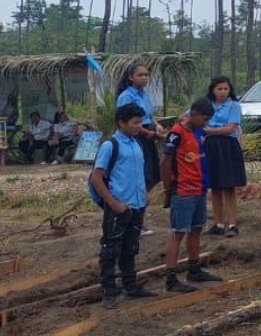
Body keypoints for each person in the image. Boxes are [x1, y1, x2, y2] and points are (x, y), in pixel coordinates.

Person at [91, 103, 155, 308]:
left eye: (140, 123)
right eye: (135, 123)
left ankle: (130, 285)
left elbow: (138, 172)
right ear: (121, 123)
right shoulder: (111, 146)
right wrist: (112, 202)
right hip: (119, 206)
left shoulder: (136, 144)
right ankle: (109, 291)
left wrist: (144, 193)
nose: (138, 126)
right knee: (111, 249)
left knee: (131, 246)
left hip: (136, 205)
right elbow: (97, 177)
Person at [160, 101, 224, 293]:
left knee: (196, 229)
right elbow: (165, 162)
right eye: (204, 119)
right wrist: (167, 188)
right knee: (178, 232)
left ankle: (194, 269)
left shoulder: (199, 132)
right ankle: (171, 278)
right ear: (194, 114)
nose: (206, 123)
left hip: (200, 188)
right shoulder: (176, 133)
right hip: (183, 190)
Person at [197, 76, 245, 239]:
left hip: (227, 146)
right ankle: (217, 224)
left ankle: (232, 224)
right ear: (212, 90)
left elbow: (230, 128)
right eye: (219, 89)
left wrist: (207, 130)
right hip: (210, 147)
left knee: (229, 186)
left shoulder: (234, 106)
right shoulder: (206, 105)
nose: (223, 92)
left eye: (226, 89)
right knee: (215, 186)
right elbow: (189, 117)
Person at [114, 64, 163, 222]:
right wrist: (149, 133)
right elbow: (130, 122)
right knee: (141, 174)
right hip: (136, 136)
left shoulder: (145, 94)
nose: (144, 78)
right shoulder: (126, 96)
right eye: (140, 75)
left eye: (146, 75)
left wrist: (156, 125)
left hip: (148, 134)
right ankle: (135, 218)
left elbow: (146, 116)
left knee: (152, 175)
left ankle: (139, 215)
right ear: (131, 77)